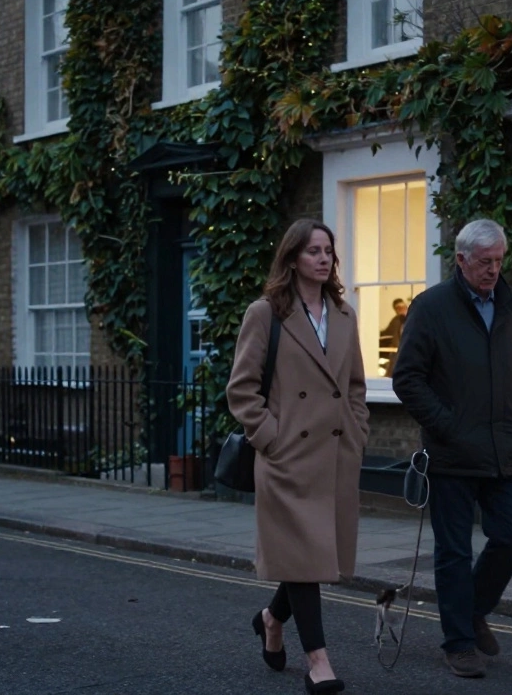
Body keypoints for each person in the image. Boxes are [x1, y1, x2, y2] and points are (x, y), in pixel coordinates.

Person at [391, 218, 512, 679]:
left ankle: (473, 611)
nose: (493, 270)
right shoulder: (432, 307)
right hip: (453, 454)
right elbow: (407, 379)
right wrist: (447, 426)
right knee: (453, 552)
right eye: (484, 261)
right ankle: (458, 643)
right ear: (461, 260)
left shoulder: (511, 305)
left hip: (504, 451)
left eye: (499, 260)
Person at [226, 218, 371, 695]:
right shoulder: (266, 313)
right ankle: (318, 661)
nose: (324, 257)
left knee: (309, 558)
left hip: (333, 456)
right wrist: (271, 437)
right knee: (307, 559)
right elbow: (242, 389)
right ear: (292, 258)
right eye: (313, 250)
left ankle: (271, 618)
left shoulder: (345, 315)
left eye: (328, 250)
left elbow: (353, 386)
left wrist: (357, 431)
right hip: (288, 459)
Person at [379, 298, 408, 377]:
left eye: (403, 307)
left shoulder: (408, 319)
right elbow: (388, 332)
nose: (402, 309)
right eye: (399, 308)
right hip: (396, 351)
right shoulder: (396, 320)